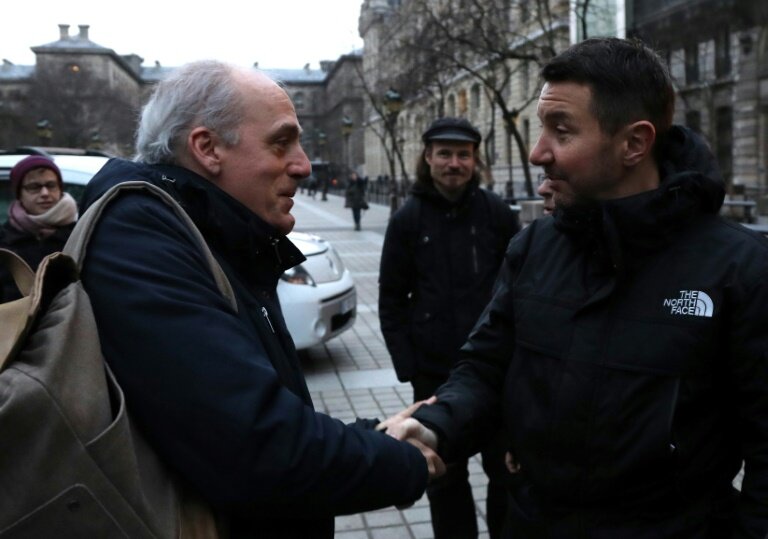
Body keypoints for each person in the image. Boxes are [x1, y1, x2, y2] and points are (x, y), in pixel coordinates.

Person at [382, 37, 768, 538]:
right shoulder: (535, 246)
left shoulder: (741, 268)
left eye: (560, 131)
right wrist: (437, 425)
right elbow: (484, 367)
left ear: (633, 143)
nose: (538, 152)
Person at [77, 60, 444, 538]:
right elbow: (258, 447)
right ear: (207, 148)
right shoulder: (139, 237)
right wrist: (404, 462)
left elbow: (255, 413)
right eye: (281, 142)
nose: (304, 164)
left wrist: (367, 440)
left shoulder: (209, 234)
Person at [378, 117, 520, 539]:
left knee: (507, 476)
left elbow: (518, 291)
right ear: (428, 157)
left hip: (496, 375)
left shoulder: (496, 213)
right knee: (444, 479)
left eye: (463, 154)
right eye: (445, 154)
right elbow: (391, 299)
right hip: (434, 376)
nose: (454, 163)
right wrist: (410, 366)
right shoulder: (408, 219)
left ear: (475, 160)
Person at [0, 155, 77, 301]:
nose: (45, 193)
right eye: (34, 187)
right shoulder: (5, 241)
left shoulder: (80, 234)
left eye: (51, 185)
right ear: (19, 194)